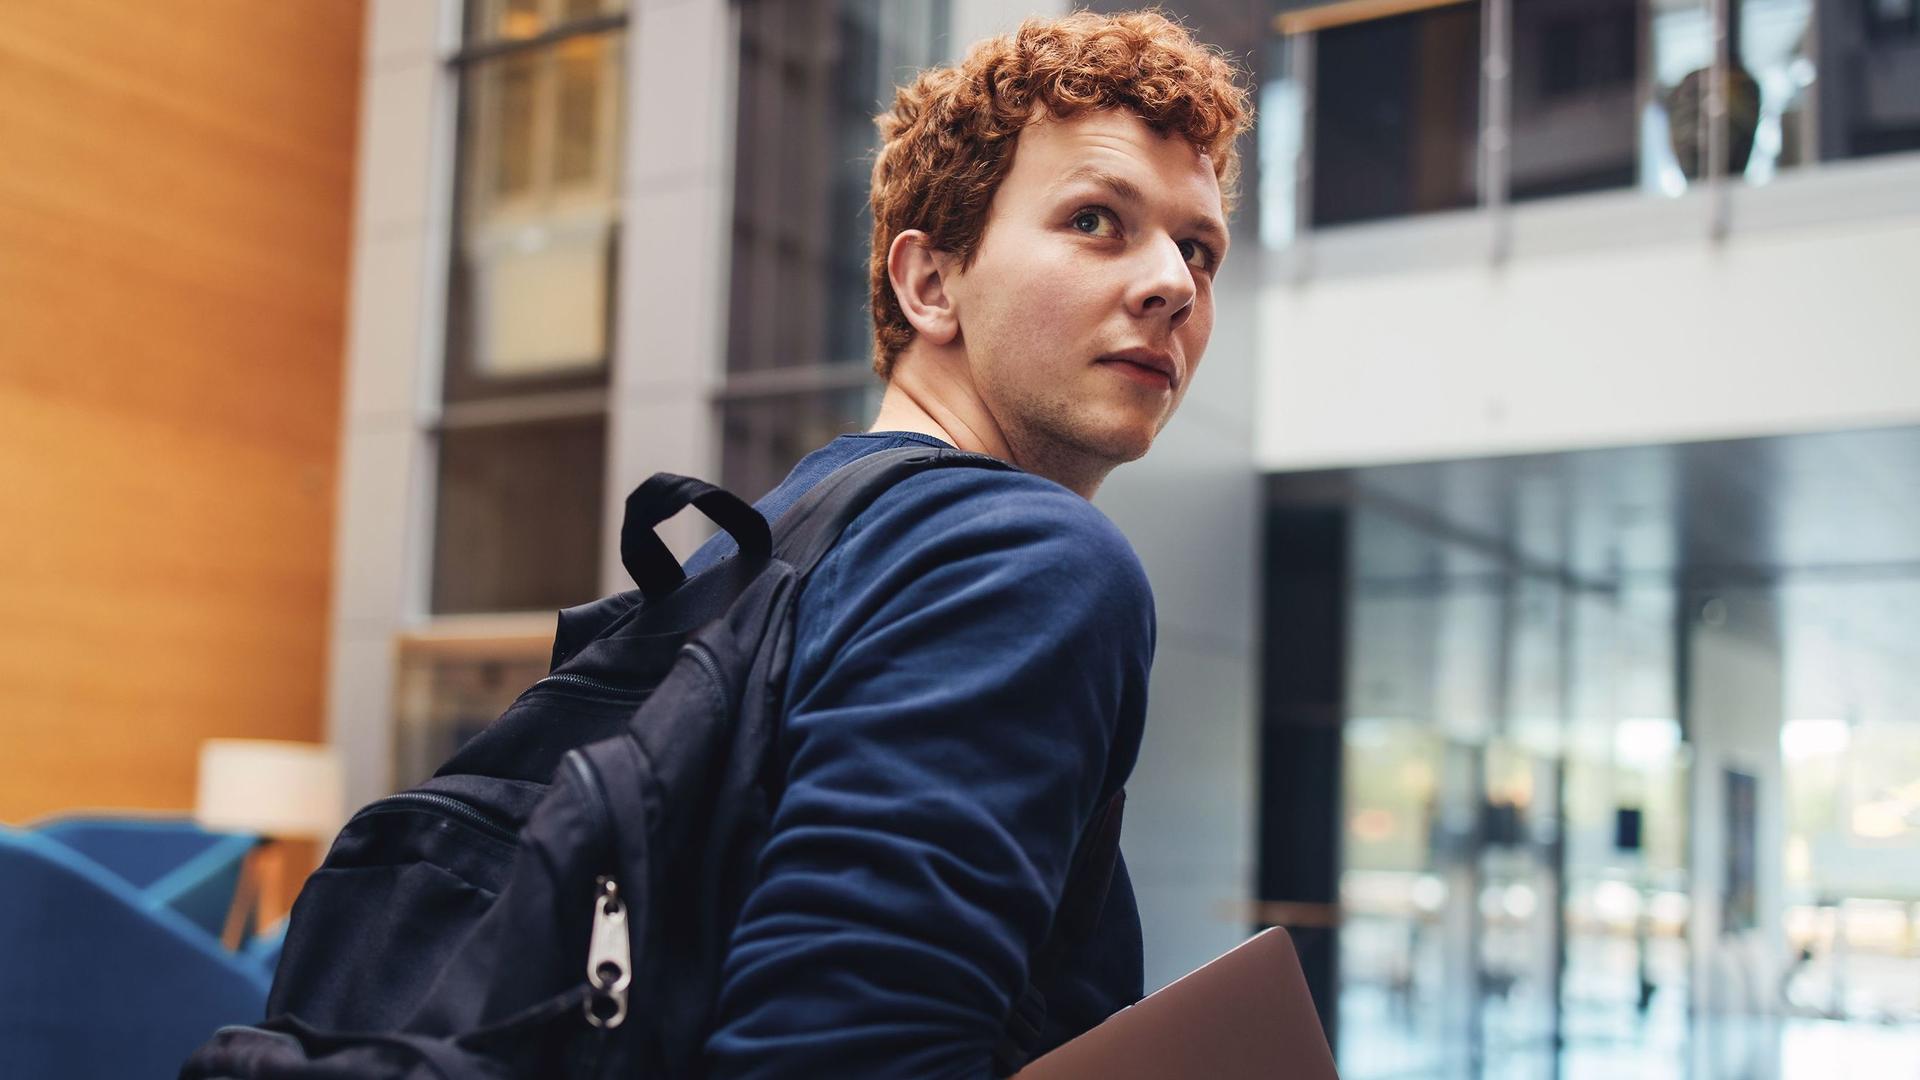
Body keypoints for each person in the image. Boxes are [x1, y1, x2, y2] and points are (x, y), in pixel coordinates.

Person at [687, 11, 1250, 1077]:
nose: (1173, 283)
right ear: (930, 283)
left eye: (1199, 249)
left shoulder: (762, 553)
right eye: (1096, 219)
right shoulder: (1028, 561)